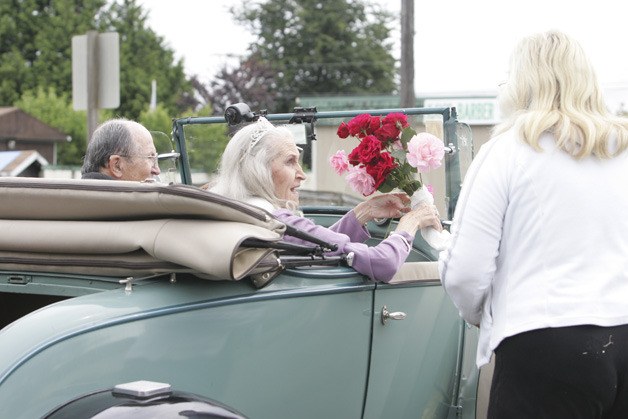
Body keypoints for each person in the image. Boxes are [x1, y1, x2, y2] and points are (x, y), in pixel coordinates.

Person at [438, 30, 628, 418]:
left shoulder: (507, 151)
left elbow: (465, 270)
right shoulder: (622, 150)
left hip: (546, 339)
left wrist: (482, 315)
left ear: (521, 81)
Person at [208, 117, 442, 282]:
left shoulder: (238, 211)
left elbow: (316, 245)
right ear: (257, 170)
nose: (302, 174)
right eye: (290, 162)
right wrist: (411, 222)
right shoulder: (277, 222)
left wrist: (364, 211)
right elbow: (382, 263)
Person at [81, 118, 161, 181]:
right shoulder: (129, 201)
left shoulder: (76, 196)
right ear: (117, 166)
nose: (157, 170)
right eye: (150, 158)